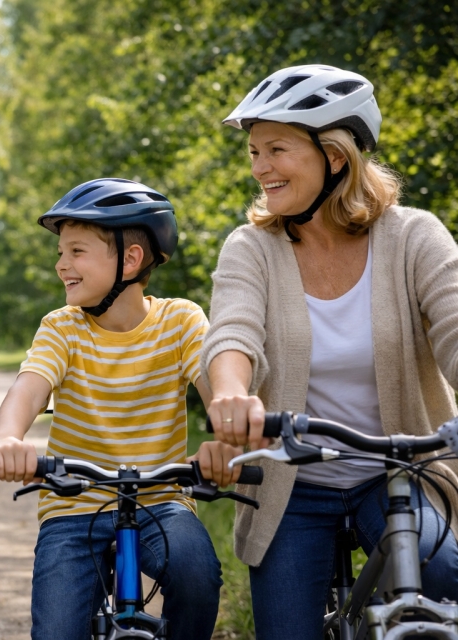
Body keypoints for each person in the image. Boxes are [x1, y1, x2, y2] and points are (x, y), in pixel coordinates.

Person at [203, 63, 458, 639]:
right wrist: (230, 392)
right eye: (253, 151)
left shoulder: (414, 237)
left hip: (398, 474)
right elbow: (232, 333)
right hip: (291, 483)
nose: (259, 167)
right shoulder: (252, 249)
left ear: (336, 156)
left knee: (443, 576)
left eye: (276, 149)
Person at [0, 178, 241, 640]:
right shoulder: (62, 328)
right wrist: (8, 438)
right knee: (57, 630)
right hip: (73, 503)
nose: (62, 264)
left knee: (197, 575)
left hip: (161, 499)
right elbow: (29, 389)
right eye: (61, 253)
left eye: (76, 251)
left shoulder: (180, 320)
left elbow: (218, 389)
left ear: (129, 259)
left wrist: (226, 444)